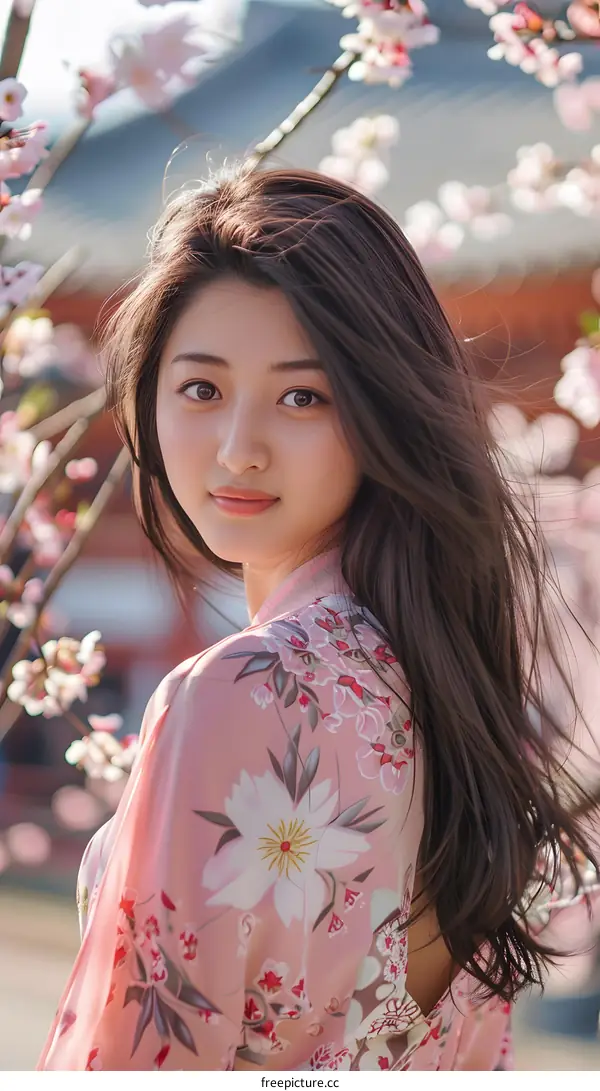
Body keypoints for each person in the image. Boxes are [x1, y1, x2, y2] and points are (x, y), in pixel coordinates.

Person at [38, 167, 600, 1072]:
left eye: (303, 396)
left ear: (381, 410)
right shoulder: (461, 684)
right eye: (200, 389)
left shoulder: (230, 692)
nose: (237, 449)